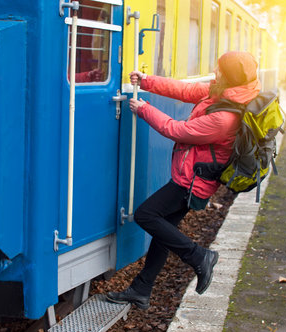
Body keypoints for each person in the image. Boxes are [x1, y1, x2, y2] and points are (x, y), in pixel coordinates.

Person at [106, 51, 261, 310]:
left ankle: (199, 256)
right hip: (190, 177)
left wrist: (144, 109)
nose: (214, 71)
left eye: (219, 68)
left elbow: (178, 130)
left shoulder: (225, 118)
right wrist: (147, 81)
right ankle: (141, 289)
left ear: (229, 76)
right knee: (164, 233)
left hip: (192, 184)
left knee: (146, 215)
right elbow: (186, 90)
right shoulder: (223, 93)